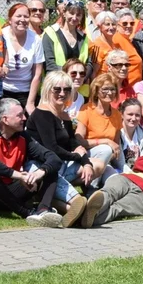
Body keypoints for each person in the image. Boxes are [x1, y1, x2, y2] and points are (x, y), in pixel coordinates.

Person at [0, 98, 64, 227]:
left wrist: (39, 173)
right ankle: (27, 213)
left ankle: (43, 211)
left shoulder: (23, 136)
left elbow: (54, 158)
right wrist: (18, 175)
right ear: (5, 119)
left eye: (23, 114)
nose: (24, 118)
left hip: (7, 192)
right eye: (19, 115)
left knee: (49, 169)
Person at [27, 70, 105, 227]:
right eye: (57, 89)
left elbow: (71, 141)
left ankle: (80, 207)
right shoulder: (42, 113)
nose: (62, 93)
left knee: (97, 164)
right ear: (48, 89)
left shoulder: (64, 114)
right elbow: (52, 148)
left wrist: (86, 162)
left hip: (59, 163)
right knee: (74, 198)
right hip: (40, 166)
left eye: (67, 89)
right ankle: (80, 206)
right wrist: (79, 157)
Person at [76, 73, 126, 177]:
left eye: (112, 89)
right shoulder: (87, 109)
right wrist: (106, 141)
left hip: (108, 158)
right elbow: (79, 140)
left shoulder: (116, 114)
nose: (109, 92)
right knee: (106, 149)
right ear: (97, 91)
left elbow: (116, 146)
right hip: (88, 155)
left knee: (115, 178)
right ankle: (91, 187)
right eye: (105, 89)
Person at [1, 3, 45, 112]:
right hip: (2, 90)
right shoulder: (1, 35)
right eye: (18, 16)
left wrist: (30, 103)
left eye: (26, 16)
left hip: (25, 92)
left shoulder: (35, 39)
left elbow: (37, 74)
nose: (22, 19)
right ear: (10, 18)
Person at [89, 11, 142, 86]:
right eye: (107, 24)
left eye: (113, 24)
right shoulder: (97, 46)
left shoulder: (115, 44)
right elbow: (93, 73)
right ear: (99, 26)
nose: (111, 27)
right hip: (103, 87)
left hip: (115, 86)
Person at [42, 0, 87, 73]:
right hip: (56, 81)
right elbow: (49, 63)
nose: (74, 17)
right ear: (64, 13)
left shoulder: (84, 37)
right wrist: (66, 79)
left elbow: (88, 63)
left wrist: (80, 77)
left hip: (78, 82)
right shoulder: (50, 33)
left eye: (78, 15)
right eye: (71, 13)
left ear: (82, 17)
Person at [119, 98, 143, 170]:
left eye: (137, 115)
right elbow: (120, 164)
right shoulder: (116, 134)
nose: (133, 118)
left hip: (138, 171)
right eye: (130, 114)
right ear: (122, 114)